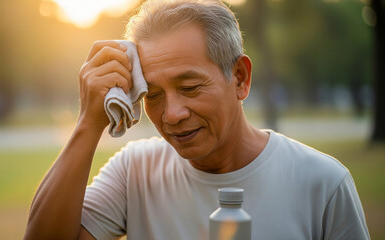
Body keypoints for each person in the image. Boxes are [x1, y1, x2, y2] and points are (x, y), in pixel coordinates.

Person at [24, 0, 370, 239]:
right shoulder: (134, 171)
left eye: (189, 87)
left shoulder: (324, 184)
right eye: (153, 95)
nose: (171, 114)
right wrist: (89, 122)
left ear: (239, 78)